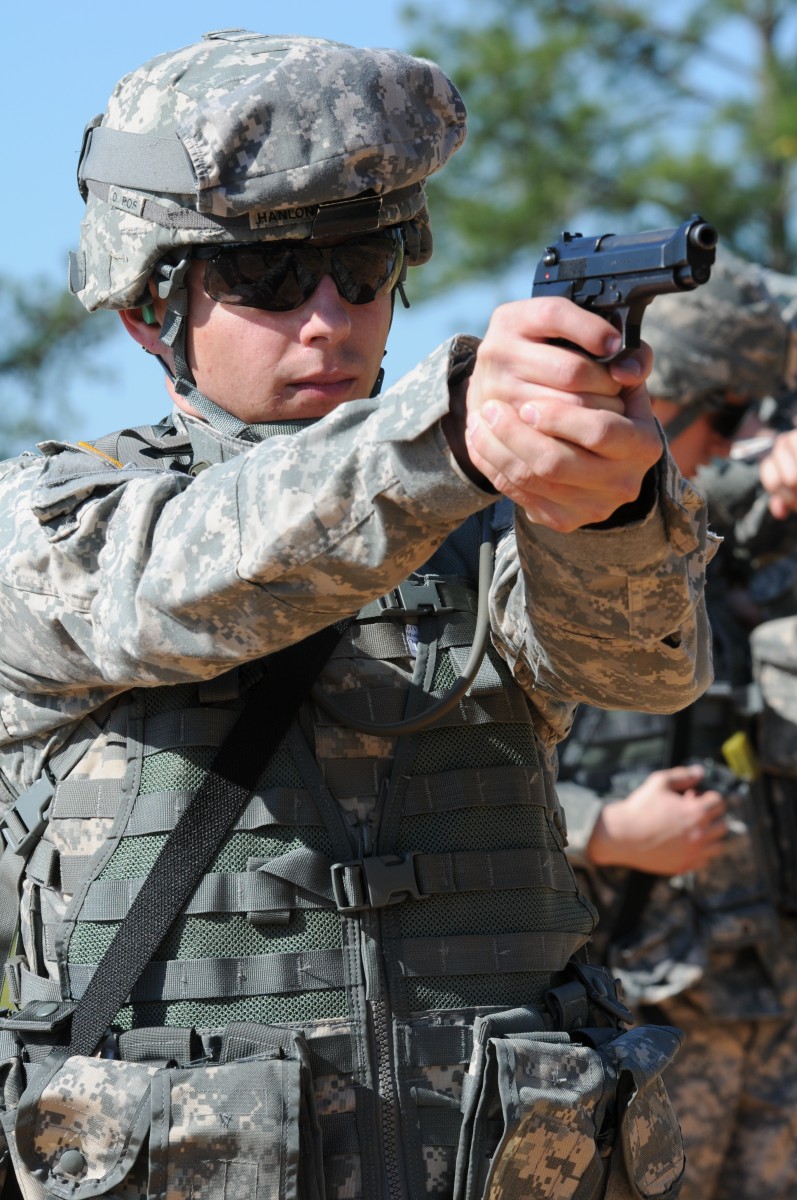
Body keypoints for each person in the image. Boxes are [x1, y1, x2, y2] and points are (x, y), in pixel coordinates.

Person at [0, 30, 712, 1200]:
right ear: (148, 309)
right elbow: (182, 586)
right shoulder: (56, 519)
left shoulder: (485, 508)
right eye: (270, 280)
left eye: (362, 263)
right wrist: (449, 434)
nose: (328, 317)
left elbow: (641, 672)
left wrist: (606, 506)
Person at [558, 250, 797, 1200]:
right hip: (637, 997)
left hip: (767, 989)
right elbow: (460, 778)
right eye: (728, 417)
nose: (739, 441)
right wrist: (607, 832)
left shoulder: (729, 546)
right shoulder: (535, 552)